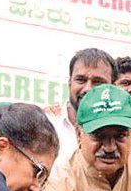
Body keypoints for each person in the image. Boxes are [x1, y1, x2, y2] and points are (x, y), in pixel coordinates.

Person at [46, 48, 116, 177]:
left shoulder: (125, 138)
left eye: (98, 82)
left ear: (113, 87)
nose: (88, 88)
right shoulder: (44, 125)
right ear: (69, 83)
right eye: (81, 80)